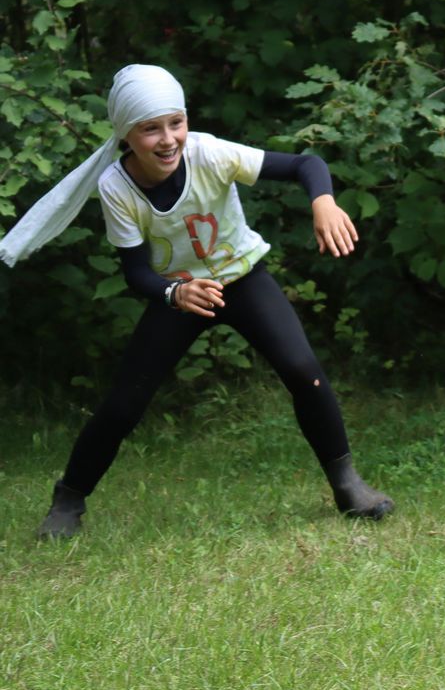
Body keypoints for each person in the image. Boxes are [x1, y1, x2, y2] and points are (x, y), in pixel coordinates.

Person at [0, 64, 393, 539]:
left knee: (302, 369)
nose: (167, 139)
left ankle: (348, 484)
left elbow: (305, 165)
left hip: (243, 280)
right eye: (150, 129)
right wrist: (176, 292)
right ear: (126, 133)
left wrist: (323, 201)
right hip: (179, 296)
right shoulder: (116, 187)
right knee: (124, 404)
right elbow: (136, 272)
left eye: (176, 123)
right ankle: (68, 501)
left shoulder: (209, 153)